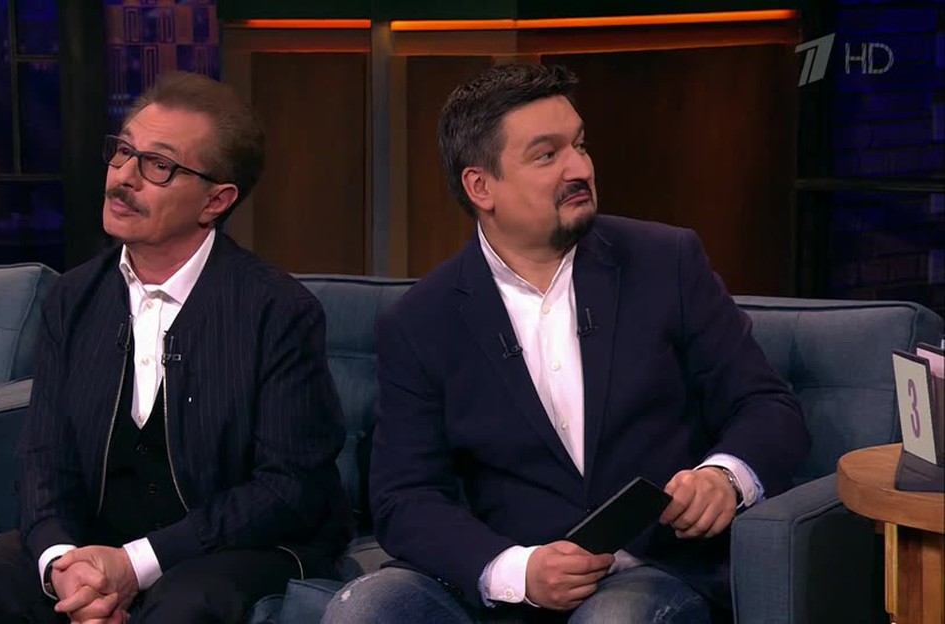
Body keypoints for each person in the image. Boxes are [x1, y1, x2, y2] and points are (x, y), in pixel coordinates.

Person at [323, 64, 809, 623]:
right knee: (366, 610)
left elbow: (766, 405)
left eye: (579, 145)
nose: (580, 168)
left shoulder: (665, 261)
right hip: (508, 582)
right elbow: (404, 497)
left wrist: (724, 477)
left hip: (653, 571)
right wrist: (514, 570)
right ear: (481, 187)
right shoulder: (420, 321)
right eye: (547, 155)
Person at [0, 71, 351, 623]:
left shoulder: (277, 311)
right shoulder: (73, 298)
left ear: (216, 200)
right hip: (101, 539)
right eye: (123, 152)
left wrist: (136, 564)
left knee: (182, 607)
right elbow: (43, 458)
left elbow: (288, 488)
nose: (123, 177)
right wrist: (63, 563)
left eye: (158, 166)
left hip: (239, 546)